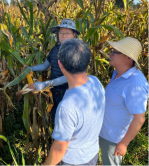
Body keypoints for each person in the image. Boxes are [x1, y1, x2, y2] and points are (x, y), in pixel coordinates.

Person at [43, 39, 105, 165]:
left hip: (73, 161)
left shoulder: (67, 106)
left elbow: (60, 148)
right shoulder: (95, 81)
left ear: (60, 64)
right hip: (92, 154)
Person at [99, 37, 148, 165]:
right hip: (104, 132)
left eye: (116, 52)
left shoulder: (135, 84)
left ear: (128, 58)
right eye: (112, 50)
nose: (111, 53)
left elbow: (139, 119)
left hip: (113, 138)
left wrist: (123, 143)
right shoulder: (117, 73)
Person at [24, 18, 80, 122]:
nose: (63, 35)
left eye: (67, 33)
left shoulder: (75, 52)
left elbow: (69, 77)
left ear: (74, 35)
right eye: (61, 33)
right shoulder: (55, 49)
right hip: (54, 91)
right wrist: (31, 68)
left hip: (67, 93)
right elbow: (45, 65)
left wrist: (44, 84)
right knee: (56, 119)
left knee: (65, 122)